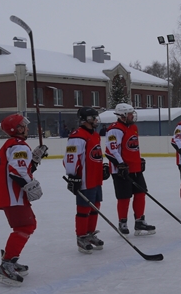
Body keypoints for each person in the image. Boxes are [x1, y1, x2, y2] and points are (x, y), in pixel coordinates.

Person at [0, 113, 48, 286]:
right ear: (16, 129)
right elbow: (17, 171)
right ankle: (7, 264)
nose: (27, 127)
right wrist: (30, 185)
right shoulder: (18, 146)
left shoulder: (12, 145)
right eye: (23, 125)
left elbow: (21, 167)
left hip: (8, 195)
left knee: (23, 226)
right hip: (13, 195)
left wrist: (35, 160)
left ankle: (11, 258)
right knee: (26, 225)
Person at [105, 103, 155, 236]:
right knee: (124, 197)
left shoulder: (133, 127)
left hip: (135, 168)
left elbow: (132, 148)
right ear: (122, 116)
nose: (133, 116)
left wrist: (139, 160)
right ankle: (123, 222)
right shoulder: (115, 129)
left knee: (141, 193)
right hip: (121, 170)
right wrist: (120, 164)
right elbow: (111, 150)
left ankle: (139, 221)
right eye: (130, 114)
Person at [64, 107, 108, 254]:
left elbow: (95, 155)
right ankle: (81, 236)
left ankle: (90, 233)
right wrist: (73, 176)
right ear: (86, 120)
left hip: (95, 178)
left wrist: (102, 168)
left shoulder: (95, 135)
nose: (96, 120)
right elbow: (70, 157)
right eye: (93, 117)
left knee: (95, 205)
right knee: (84, 208)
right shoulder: (78, 136)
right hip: (84, 179)